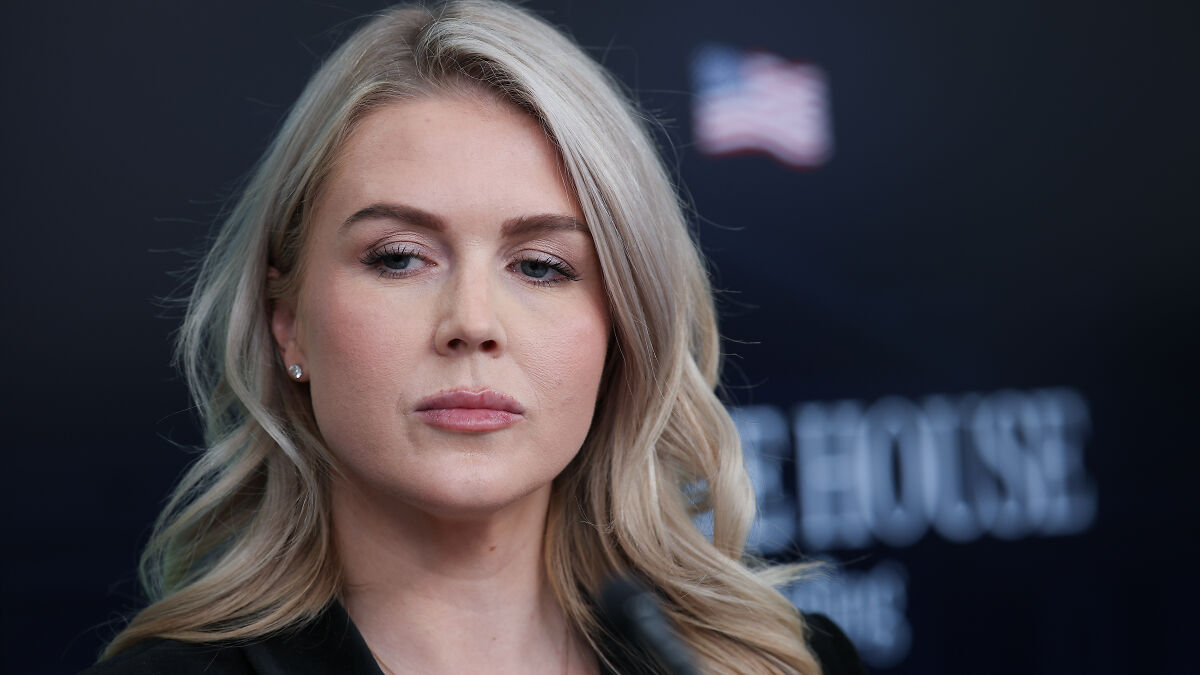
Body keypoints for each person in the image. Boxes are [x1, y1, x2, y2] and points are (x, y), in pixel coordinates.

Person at [87, 1, 864, 673]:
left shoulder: (789, 665)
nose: (473, 324)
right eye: (398, 258)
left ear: (623, 327)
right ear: (285, 321)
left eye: (539, 266)